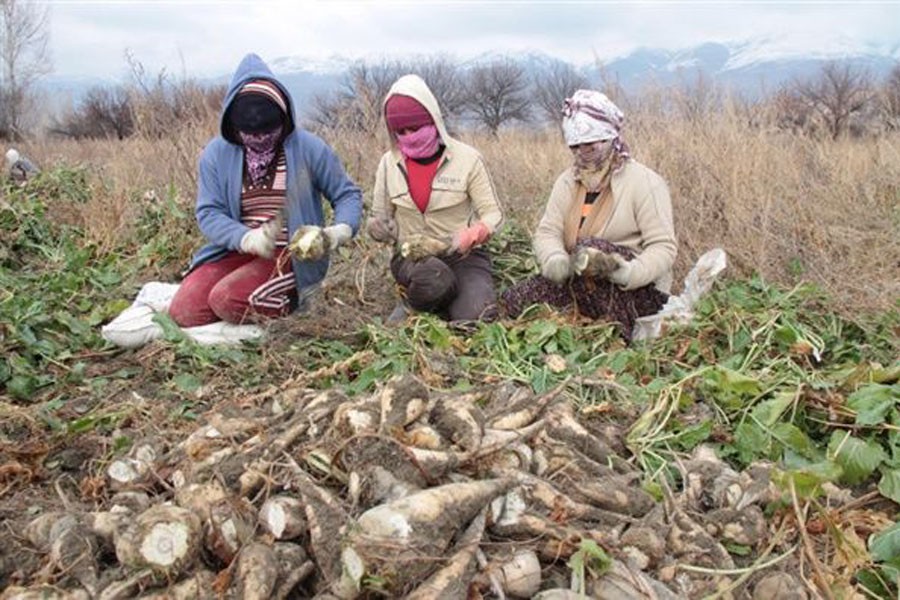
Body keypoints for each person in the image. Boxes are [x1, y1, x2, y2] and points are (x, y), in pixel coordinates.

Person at [168, 53, 363, 327]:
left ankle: (296, 299)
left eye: (268, 131)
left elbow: (347, 194)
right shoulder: (216, 154)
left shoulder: (308, 148)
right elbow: (209, 212)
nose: (260, 139)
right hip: (237, 249)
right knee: (184, 312)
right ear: (234, 127)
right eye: (250, 133)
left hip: (288, 254)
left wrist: (340, 230)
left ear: (283, 120)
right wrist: (246, 238)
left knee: (227, 300)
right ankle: (246, 299)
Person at [500, 89, 676, 338]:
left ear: (610, 138)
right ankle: (580, 321)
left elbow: (663, 247)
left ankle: (613, 332)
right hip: (576, 279)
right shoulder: (567, 181)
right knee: (513, 301)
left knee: (590, 249)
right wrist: (555, 261)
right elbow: (549, 231)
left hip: (633, 288)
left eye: (591, 145)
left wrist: (627, 272)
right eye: (576, 146)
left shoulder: (645, 182)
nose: (583, 151)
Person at [367, 74, 504, 324]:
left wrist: (474, 234)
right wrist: (378, 228)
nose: (409, 136)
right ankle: (414, 303)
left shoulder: (468, 159)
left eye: (415, 129)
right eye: (401, 131)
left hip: (463, 256)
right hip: (413, 258)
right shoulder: (388, 164)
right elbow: (380, 218)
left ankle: (439, 302)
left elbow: (494, 214)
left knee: (476, 315)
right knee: (436, 278)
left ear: (433, 121)